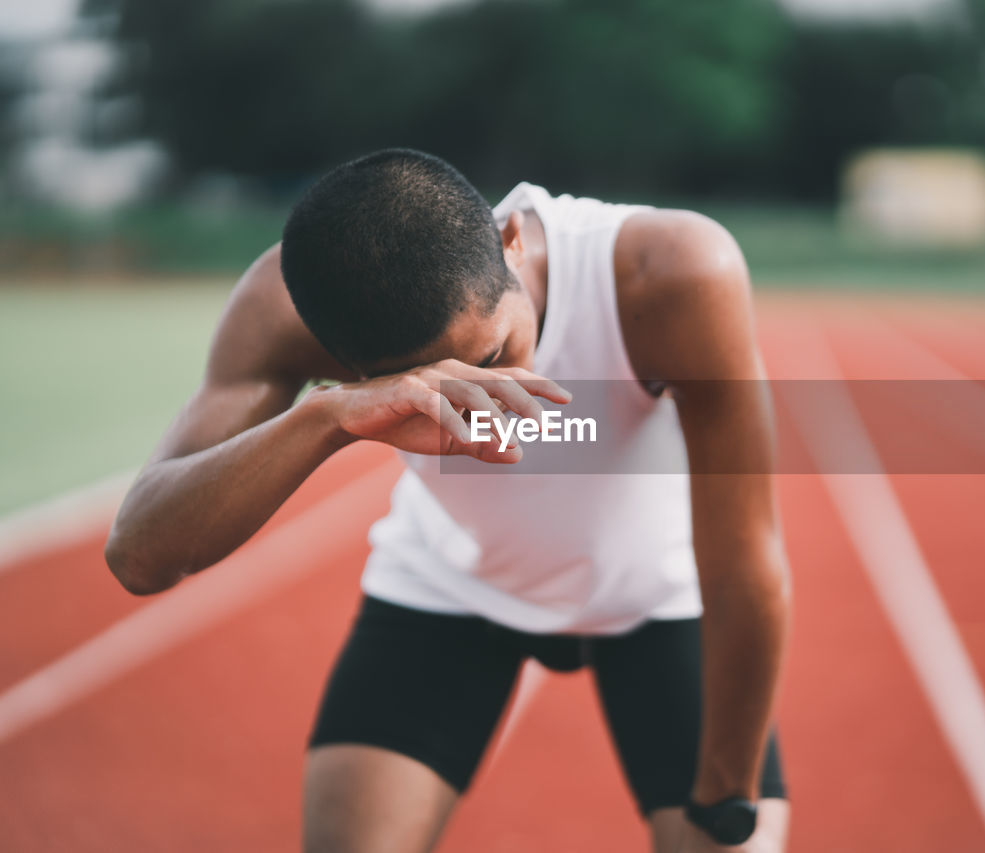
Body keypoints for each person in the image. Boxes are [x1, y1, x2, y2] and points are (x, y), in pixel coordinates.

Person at [104, 148, 791, 852]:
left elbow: (747, 558)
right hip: (450, 585)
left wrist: (729, 795)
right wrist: (330, 416)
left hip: (657, 595)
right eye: (433, 387)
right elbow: (139, 553)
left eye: (491, 358)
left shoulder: (667, 273)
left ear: (510, 240)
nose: (487, 402)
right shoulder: (287, 308)